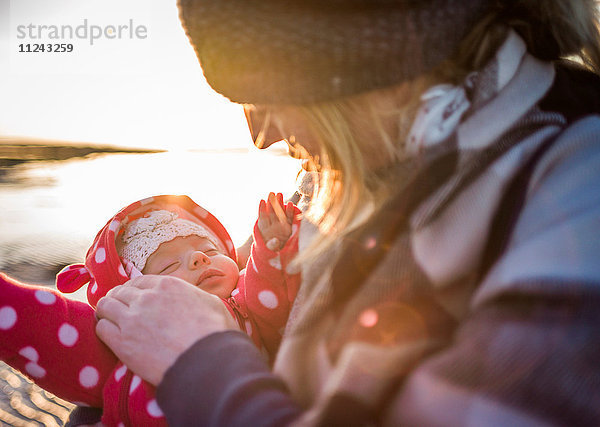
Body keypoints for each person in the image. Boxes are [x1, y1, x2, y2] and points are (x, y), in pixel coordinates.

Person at [87, 0, 600, 425]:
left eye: (267, 96)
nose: (263, 136)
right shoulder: (342, 175)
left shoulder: (577, 188)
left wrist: (198, 366)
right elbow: (250, 289)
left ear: (378, 55)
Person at [0, 193, 301, 426]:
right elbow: (49, 326)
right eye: (170, 264)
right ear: (138, 294)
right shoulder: (124, 333)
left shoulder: (245, 301)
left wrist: (271, 246)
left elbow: (270, 288)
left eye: (210, 250)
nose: (199, 258)